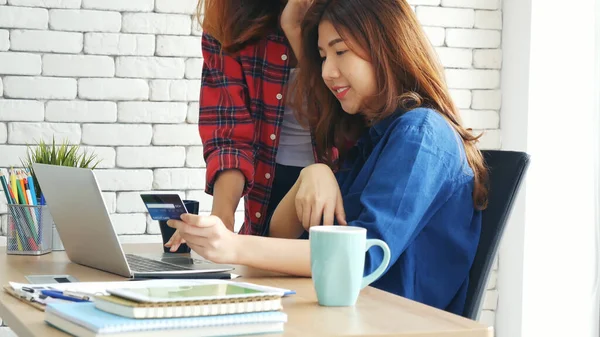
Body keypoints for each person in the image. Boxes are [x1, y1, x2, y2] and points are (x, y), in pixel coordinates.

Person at [166, 0, 489, 315]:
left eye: (340, 52)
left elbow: (356, 259)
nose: (327, 72)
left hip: (395, 322)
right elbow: (284, 236)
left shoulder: (421, 135)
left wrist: (232, 246)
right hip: (349, 316)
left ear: (385, 44)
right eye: (322, 57)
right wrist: (313, 173)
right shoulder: (373, 141)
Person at [166, 0, 324, 250]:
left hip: (334, 192)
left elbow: (346, 120)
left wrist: (294, 29)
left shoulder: (348, 12)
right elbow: (229, 134)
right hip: (268, 198)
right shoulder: (229, 16)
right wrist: (221, 220)